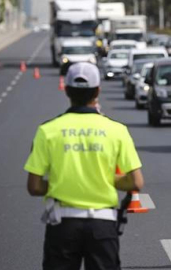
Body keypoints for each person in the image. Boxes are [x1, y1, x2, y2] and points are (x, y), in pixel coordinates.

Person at [24, 62, 144, 270]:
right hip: (103, 225)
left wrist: (61, 183)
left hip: (62, 224)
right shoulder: (117, 130)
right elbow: (136, 182)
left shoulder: (47, 131)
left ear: (67, 90)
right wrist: (107, 180)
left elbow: (34, 186)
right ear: (97, 91)